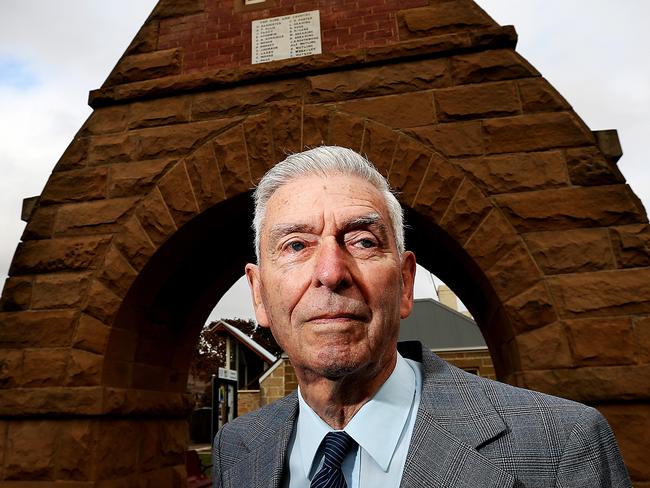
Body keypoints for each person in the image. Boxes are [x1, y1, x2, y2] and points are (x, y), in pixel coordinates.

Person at [212, 146, 631, 487]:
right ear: (259, 294)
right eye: (297, 246)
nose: (331, 272)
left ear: (405, 284)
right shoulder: (237, 447)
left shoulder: (562, 444)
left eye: (361, 241)